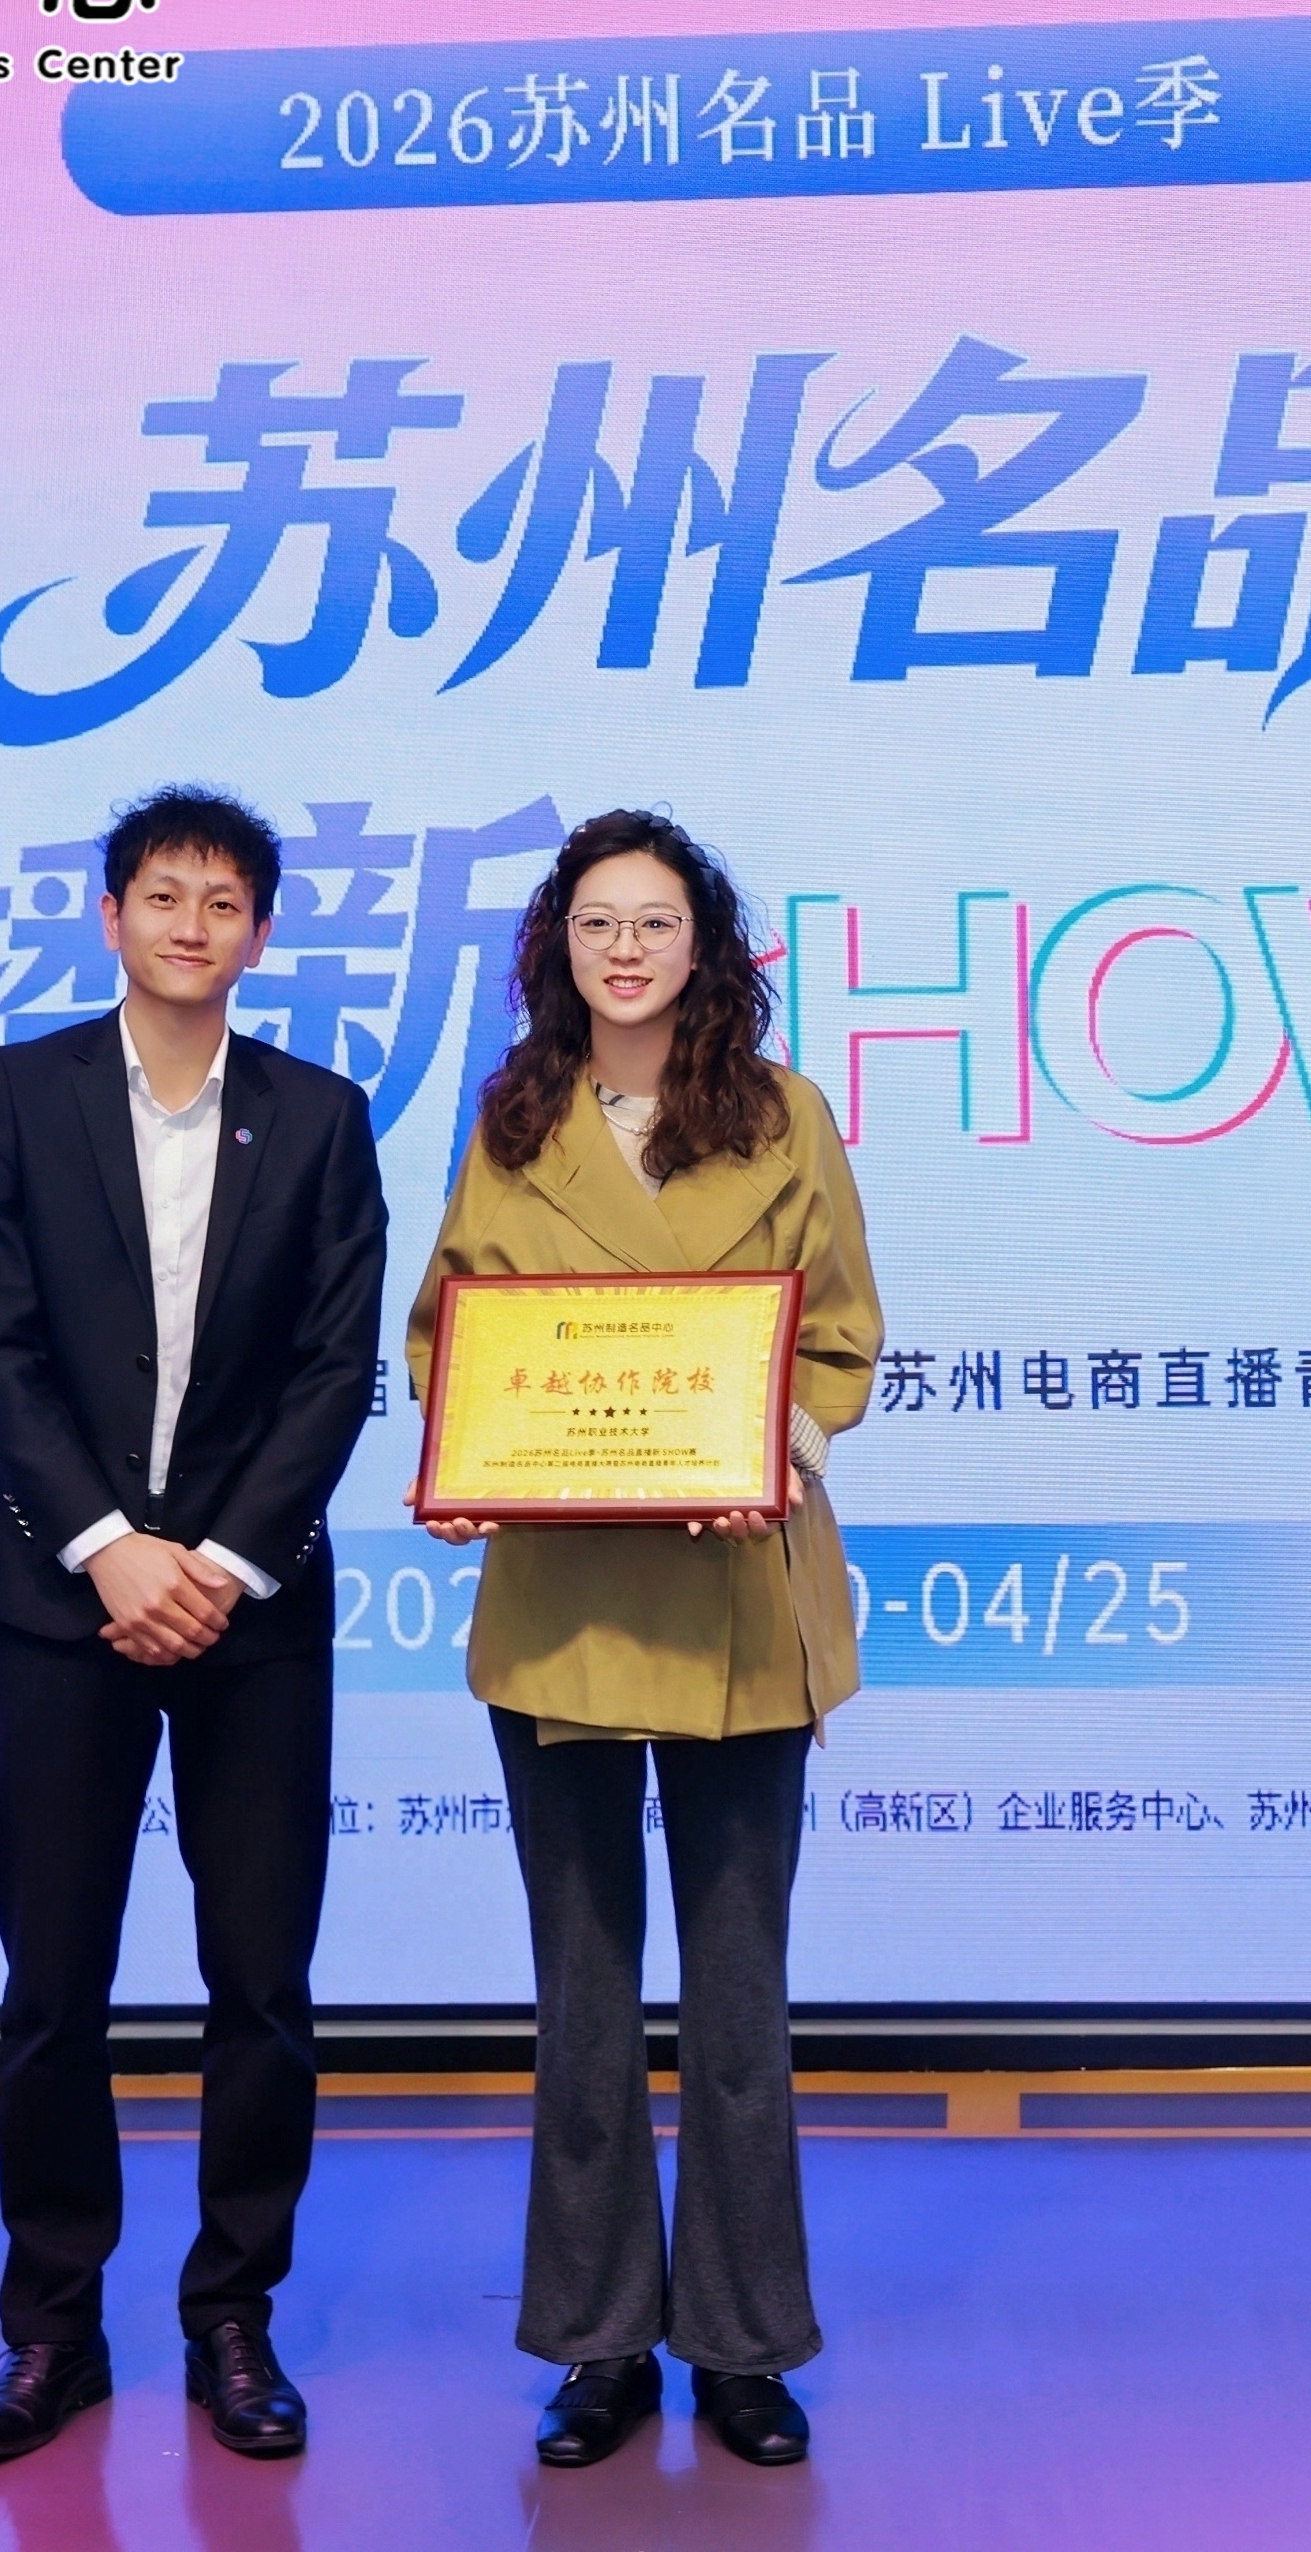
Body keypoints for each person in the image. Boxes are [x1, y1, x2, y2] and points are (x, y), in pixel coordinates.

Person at [405, 808, 882, 2472]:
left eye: (656, 919)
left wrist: (770, 1452)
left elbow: (837, 1336)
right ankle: (599, 2340)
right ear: (558, 943)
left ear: (705, 945)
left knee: (739, 1999)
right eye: (598, 918)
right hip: (565, 1612)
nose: (626, 946)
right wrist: (462, 1460)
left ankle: (744, 2343)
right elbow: (448, 1333)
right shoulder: (513, 1120)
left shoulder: (785, 1114)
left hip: (743, 1595)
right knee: (585, 1996)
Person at [0, 786, 388, 2463]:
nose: (193, 923)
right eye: (163, 894)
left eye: (225, 901)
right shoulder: (15, 1092)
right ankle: (51, 2326)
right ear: (111, 913)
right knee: (53, 1977)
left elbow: (338, 1363)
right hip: (62, 1595)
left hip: (253, 1609)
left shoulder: (319, 1116)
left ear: (262, 931)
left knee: (261, 1978)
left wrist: (222, 1558)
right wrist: (111, 1547)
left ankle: (233, 2315)